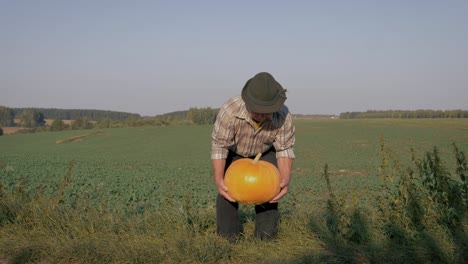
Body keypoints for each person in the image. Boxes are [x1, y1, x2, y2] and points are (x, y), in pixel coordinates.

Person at [211, 72, 295, 241]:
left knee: (271, 191)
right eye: (258, 111)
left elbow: (284, 149)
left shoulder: (283, 116)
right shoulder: (230, 110)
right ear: (248, 102)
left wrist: (284, 180)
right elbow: (220, 146)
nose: (262, 116)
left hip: (264, 152)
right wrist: (219, 179)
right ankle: (228, 240)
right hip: (234, 152)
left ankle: (264, 240)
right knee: (227, 193)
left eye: (267, 112)